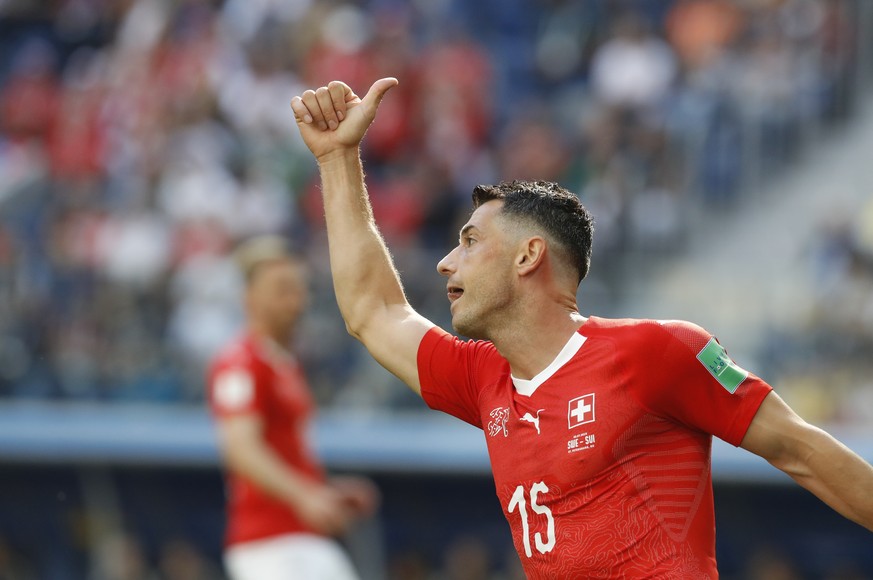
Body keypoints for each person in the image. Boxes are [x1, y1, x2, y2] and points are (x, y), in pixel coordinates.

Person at [289, 78, 873, 578]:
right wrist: (337, 158)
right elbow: (374, 312)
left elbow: (801, 450)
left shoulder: (654, 351)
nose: (446, 261)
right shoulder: (482, 379)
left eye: (469, 241)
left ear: (528, 256)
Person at [206, 235, 377, 580]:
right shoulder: (240, 362)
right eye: (282, 289)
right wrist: (306, 496)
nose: (296, 300)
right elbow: (240, 448)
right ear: (249, 297)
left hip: (302, 539)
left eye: (299, 288)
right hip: (270, 543)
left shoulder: (285, 363)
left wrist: (327, 491)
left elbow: (284, 452)